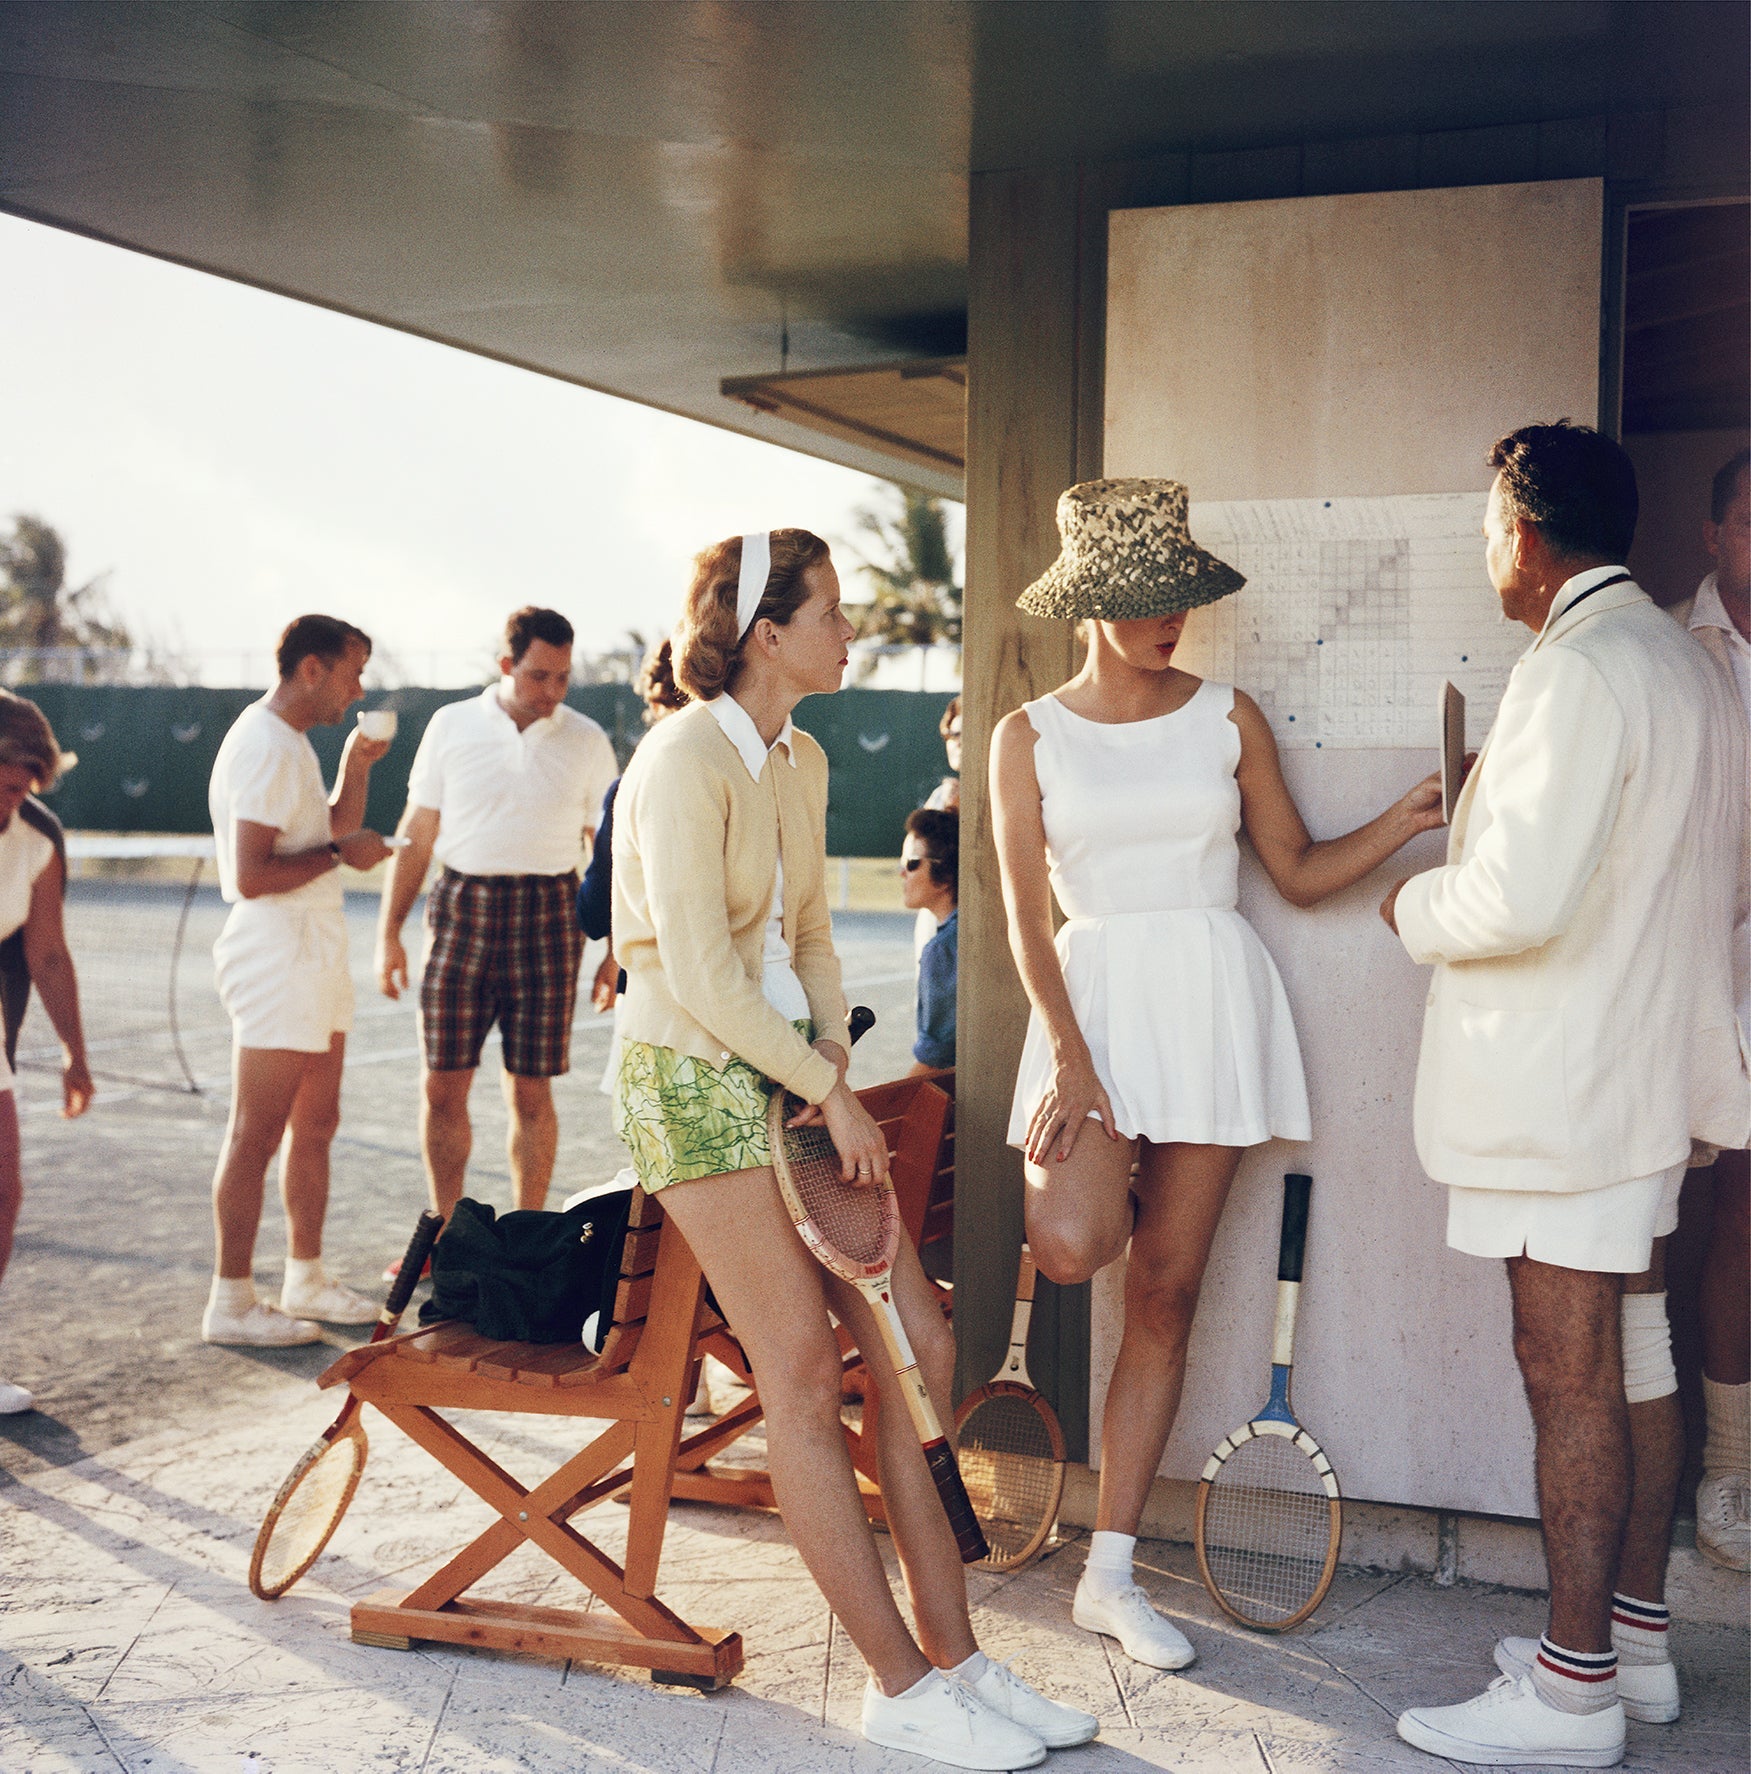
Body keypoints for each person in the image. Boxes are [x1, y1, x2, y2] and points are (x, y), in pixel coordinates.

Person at [613, 528, 1094, 1768]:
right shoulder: (677, 761)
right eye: (831, 612)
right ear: (765, 633)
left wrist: (825, 1064)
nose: (851, 632)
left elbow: (815, 938)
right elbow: (703, 973)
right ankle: (895, 1685)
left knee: (918, 1346)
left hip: (784, 1083)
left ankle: (959, 1662)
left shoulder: (802, 755)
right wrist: (826, 1088)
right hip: (688, 1087)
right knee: (799, 1375)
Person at [991, 476, 1446, 1670]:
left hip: (1207, 1002)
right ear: (1090, 604)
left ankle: (1109, 1570)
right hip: (1086, 1009)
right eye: (1145, 599)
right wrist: (1073, 1065)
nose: (1169, 619)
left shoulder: (1225, 714)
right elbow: (1023, 925)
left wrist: (1403, 817)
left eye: (1179, 597)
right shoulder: (1024, 734)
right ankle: (1096, 1542)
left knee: (1167, 1295)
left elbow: (1290, 869)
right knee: (1075, 1245)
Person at [1386, 424, 1747, 1769]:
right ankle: (1633, 1645)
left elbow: (1511, 899)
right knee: (1631, 1356)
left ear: (1522, 532)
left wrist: (1411, 898)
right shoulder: (1682, 662)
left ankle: (1570, 1689)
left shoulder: (1576, 666)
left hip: (1561, 1091)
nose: (1487, 544)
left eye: (1488, 519)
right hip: (1641, 1075)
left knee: (1567, 1370)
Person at [376, 607, 618, 1230]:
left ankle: (528, 1236)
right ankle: (449, 1233)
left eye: (563, 678)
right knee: (442, 1085)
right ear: (506, 665)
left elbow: (614, 849)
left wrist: (615, 948)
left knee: (531, 1091)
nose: (553, 691)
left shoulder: (587, 740)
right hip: (461, 911)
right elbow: (418, 830)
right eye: (540, 676)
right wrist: (388, 934)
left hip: (551, 918)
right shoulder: (450, 725)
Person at [204, 615, 393, 1346]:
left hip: (312, 947)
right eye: (354, 672)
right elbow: (249, 875)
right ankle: (230, 1300)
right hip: (274, 950)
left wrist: (359, 764)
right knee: (256, 1132)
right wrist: (347, 854)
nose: (360, 688)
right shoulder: (261, 744)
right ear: (311, 669)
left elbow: (327, 834)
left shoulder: (292, 745)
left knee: (316, 1123)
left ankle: (303, 1276)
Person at [1670, 446, 1750, 1574]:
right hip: (1705, 972)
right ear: (1713, 533)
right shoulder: (1668, 650)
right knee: (1720, 1215)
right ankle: (1722, 1468)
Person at [0, 695, 92, 1411]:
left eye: (29, 784)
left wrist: (75, 1053)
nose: (19, 798)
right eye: (8, 782)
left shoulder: (36, 835)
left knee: (4, 1193)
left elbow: (49, 954)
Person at [576, 636, 688, 1017]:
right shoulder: (767, 774)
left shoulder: (630, 791)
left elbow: (595, 909)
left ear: (656, 704)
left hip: (655, 996)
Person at [901, 807, 957, 1074]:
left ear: (945, 874)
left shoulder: (943, 950)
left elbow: (935, 1061)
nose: (903, 874)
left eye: (912, 863)